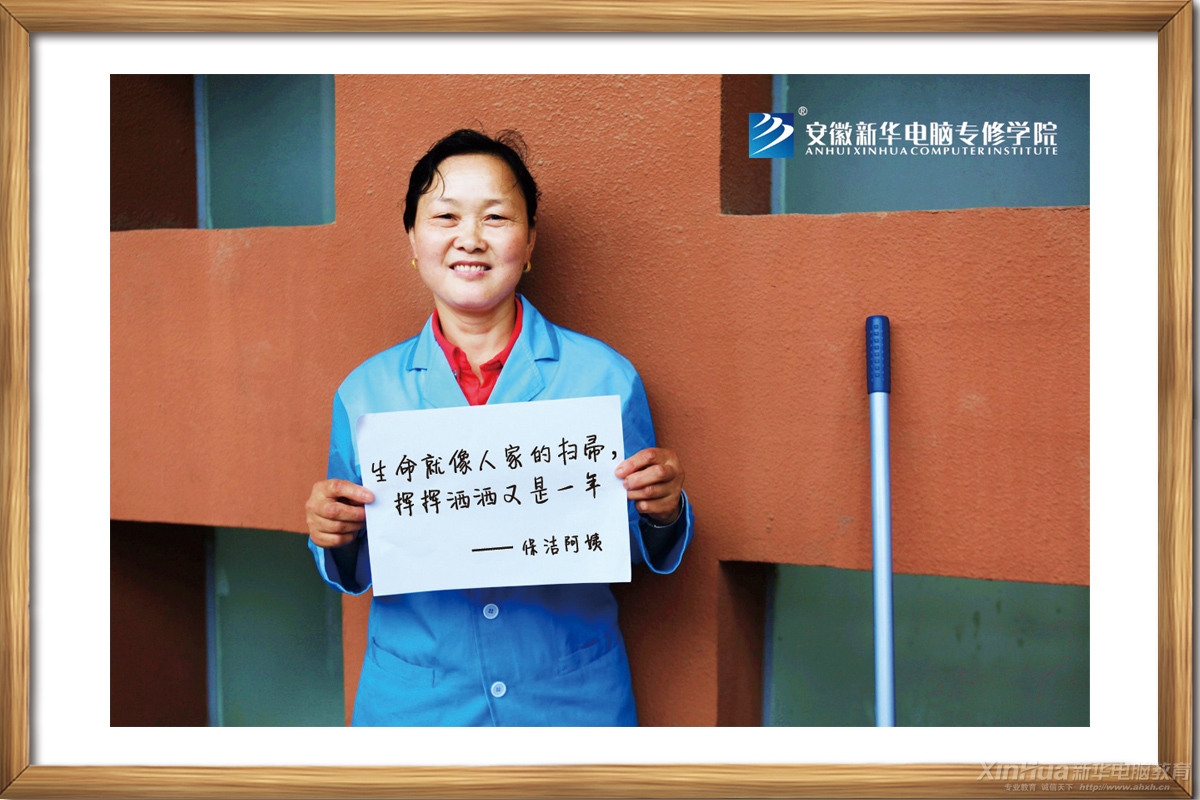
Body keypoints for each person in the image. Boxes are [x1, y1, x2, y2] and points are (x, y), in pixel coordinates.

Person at [304, 129, 693, 726]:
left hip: (569, 699)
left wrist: (663, 512)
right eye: (445, 216)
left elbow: (630, 545)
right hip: (418, 704)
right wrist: (335, 533)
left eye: (495, 217)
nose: (470, 238)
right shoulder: (365, 393)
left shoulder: (604, 379)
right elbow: (359, 557)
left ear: (529, 240)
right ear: (413, 241)